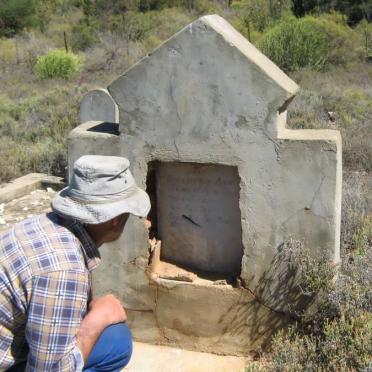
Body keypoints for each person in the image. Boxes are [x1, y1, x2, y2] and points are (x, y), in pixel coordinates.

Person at [0, 155, 151, 371]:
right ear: (116, 219)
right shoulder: (64, 269)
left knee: (115, 338)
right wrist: (94, 324)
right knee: (116, 345)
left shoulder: (44, 225)